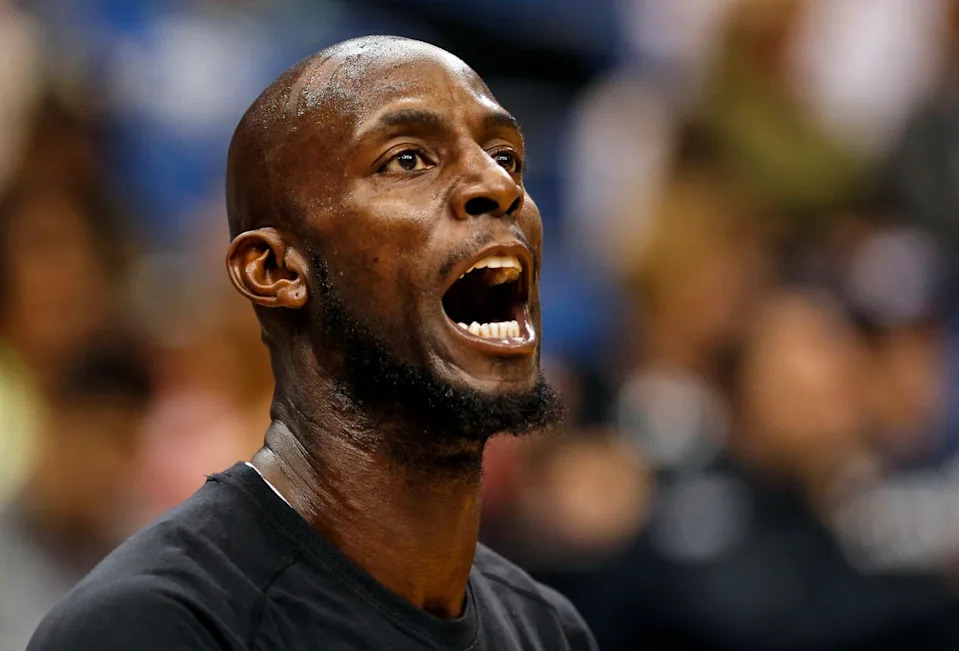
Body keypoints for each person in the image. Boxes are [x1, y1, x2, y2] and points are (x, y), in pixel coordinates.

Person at [28, 35, 595, 651]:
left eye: (507, 157)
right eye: (407, 160)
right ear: (275, 271)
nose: (498, 184)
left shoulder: (548, 630)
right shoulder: (156, 628)